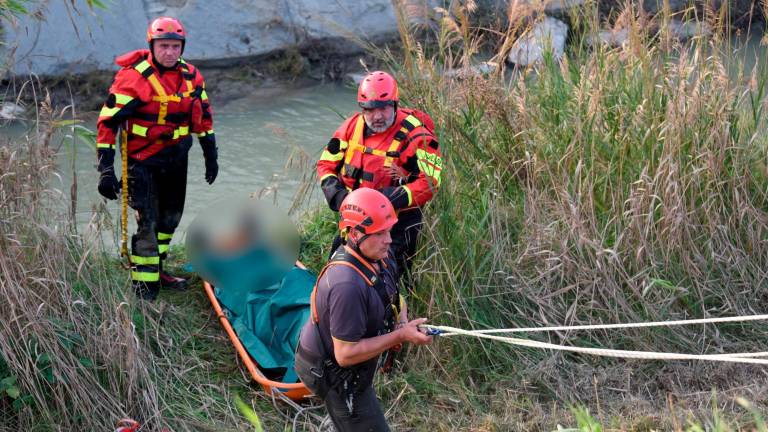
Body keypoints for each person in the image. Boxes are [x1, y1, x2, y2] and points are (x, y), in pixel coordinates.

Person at [95, 16, 218, 300]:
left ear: (182, 47)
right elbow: (107, 124)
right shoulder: (133, 78)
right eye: (164, 46)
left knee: (170, 220)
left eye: (175, 46)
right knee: (148, 223)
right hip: (143, 161)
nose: (170, 52)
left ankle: (157, 269)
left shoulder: (192, 76)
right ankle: (144, 288)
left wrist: (211, 154)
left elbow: (205, 117)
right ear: (152, 46)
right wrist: (106, 170)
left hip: (176, 159)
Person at [295, 188, 433, 432]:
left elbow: (394, 296)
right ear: (355, 234)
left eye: (389, 231)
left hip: (349, 362)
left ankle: (340, 423)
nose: (389, 240)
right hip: (332, 373)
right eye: (379, 233)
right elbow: (346, 355)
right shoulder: (346, 284)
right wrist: (400, 336)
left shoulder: (380, 255)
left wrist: (402, 322)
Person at [317, 71, 442, 290]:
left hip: (396, 223)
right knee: (338, 273)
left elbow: (430, 183)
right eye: (370, 109)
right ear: (362, 109)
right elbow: (326, 164)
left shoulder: (419, 137)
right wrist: (339, 197)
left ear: (395, 104)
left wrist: (387, 200)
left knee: (392, 281)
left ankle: (396, 317)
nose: (377, 116)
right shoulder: (350, 128)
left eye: (383, 108)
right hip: (354, 218)